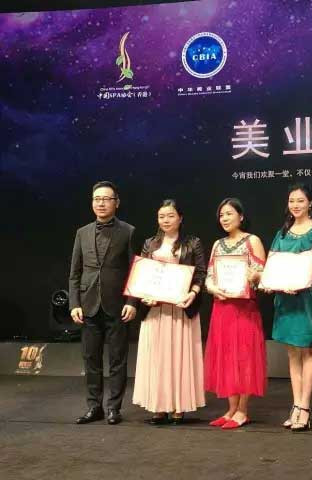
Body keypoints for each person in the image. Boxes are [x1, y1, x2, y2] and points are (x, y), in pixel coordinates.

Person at [132, 199, 206, 424]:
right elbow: (142, 273)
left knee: (178, 357)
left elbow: (201, 273)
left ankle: (178, 406)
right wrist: (143, 294)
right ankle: (158, 406)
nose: (166, 220)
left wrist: (192, 293)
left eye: (170, 215)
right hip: (155, 309)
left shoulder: (193, 242)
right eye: (161, 216)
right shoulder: (150, 243)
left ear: (180, 218)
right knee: (157, 358)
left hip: (181, 309)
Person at [69, 180, 137, 425]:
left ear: (116, 202)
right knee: (91, 359)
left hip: (118, 306)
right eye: (97, 199)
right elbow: (75, 273)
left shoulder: (128, 231)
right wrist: (74, 303)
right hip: (88, 305)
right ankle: (94, 406)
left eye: (106, 199)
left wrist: (132, 301)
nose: (101, 203)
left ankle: (113, 408)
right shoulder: (82, 232)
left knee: (118, 360)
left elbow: (135, 269)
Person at [268, 183, 312, 432]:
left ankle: (305, 407)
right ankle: (295, 405)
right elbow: (272, 262)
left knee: (308, 352)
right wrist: (279, 282)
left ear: (310, 203)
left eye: (300, 201)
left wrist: (297, 279)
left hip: (307, 297)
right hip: (285, 297)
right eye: (292, 201)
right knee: (292, 353)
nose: (295, 205)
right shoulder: (282, 232)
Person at [204, 198, 267, 429]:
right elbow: (210, 275)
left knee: (244, 357)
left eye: (229, 214)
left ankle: (242, 410)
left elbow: (264, 274)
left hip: (244, 309)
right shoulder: (217, 244)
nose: (225, 219)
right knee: (226, 357)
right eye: (221, 215)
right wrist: (212, 287)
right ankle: (231, 409)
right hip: (222, 308)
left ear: (241, 216)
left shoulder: (252, 241)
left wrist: (255, 276)